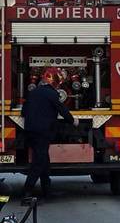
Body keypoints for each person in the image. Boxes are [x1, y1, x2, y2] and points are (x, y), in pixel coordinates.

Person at [21, 68, 78, 200]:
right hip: (43, 133)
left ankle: (47, 191)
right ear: (56, 83)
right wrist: (73, 121)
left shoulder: (34, 92)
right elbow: (62, 110)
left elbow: (23, 112)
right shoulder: (52, 95)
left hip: (30, 131)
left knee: (44, 160)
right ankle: (27, 192)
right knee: (39, 162)